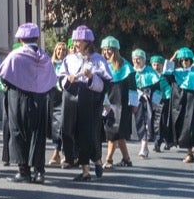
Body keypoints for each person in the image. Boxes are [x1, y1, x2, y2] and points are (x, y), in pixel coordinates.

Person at [0, 24, 57, 183]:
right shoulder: (44, 57)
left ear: (20, 38)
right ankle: (39, 172)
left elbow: (3, 76)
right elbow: (52, 80)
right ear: (36, 38)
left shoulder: (15, 55)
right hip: (39, 98)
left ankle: (23, 171)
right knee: (38, 135)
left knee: (18, 132)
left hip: (18, 97)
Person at [58, 26, 108, 180]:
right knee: (73, 132)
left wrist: (92, 77)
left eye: (79, 40)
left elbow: (105, 84)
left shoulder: (98, 59)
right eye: (75, 40)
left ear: (87, 42)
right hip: (71, 98)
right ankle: (85, 171)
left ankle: (97, 160)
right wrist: (68, 80)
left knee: (89, 134)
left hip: (90, 100)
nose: (76, 43)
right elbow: (60, 80)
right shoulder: (69, 59)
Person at [100, 36, 135, 167]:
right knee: (117, 133)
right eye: (105, 50)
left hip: (122, 103)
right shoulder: (103, 65)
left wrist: (134, 104)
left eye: (109, 49)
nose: (107, 52)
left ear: (115, 50)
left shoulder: (126, 66)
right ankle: (126, 159)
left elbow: (132, 87)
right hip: (108, 102)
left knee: (114, 131)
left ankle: (108, 159)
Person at [131, 49, 159, 159]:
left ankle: (144, 146)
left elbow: (157, 89)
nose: (136, 61)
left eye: (138, 58)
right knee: (138, 122)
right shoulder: (131, 72)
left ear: (143, 60)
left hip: (148, 101)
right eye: (134, 59)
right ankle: (145, 147)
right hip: (135, 100)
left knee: (146, 122)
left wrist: (155, 103)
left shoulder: (151, 72)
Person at [46, 40, 69, 167]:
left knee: (64, 124)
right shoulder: (51, 64)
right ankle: (56, 152)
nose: (61, 52)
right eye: (58, 50)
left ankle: (64, 152)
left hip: (65, 95)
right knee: (55, 126)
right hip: (53, 96)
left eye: (63, 50)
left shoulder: (68, 64)